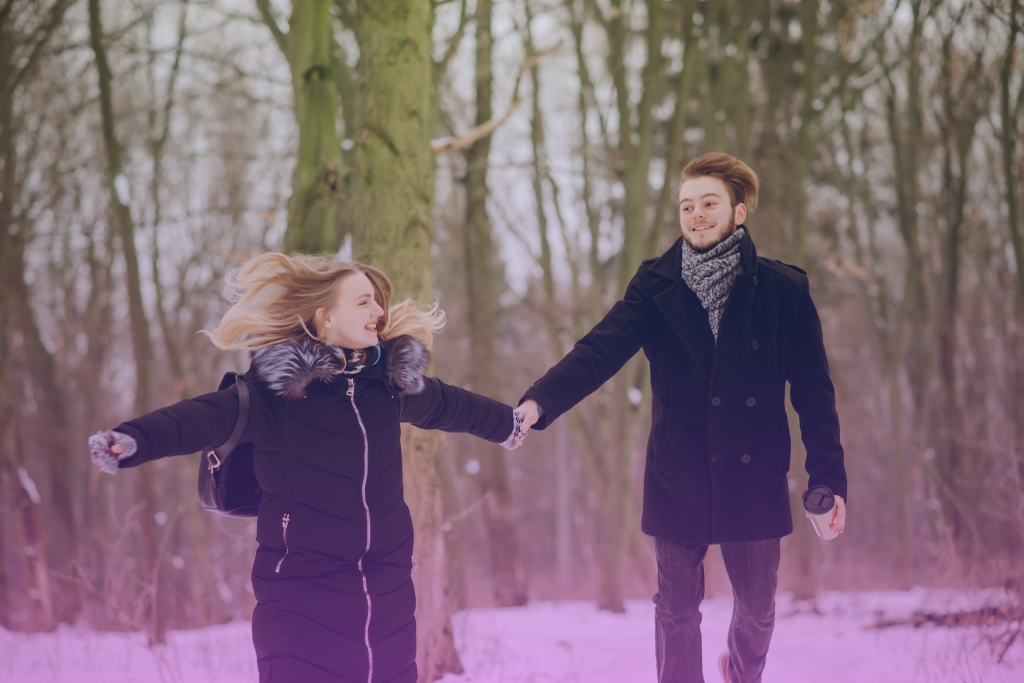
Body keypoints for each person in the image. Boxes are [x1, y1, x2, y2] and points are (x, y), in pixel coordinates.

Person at [87, 253, 526, 683]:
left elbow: (452, 405)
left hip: (387, 589)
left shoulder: (390, 385)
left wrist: (509, 423)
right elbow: (205, 416)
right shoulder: (278, 393)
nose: (378, 311)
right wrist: (134, 439)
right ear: (325, 318)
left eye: (377, 301)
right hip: (303, 594)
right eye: (362, 302)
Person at [516, 153, 847, 683]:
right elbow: (599, 350)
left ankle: (741, 672)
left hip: (754, 473)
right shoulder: (655, 286)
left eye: (709, 203)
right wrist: (540, 401)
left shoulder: (785, 291)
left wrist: (828, 478)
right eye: (686, 206)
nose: (695, 214)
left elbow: (813, 391)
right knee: (674, 611)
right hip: (679, 473)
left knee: (759, 610)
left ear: (738, 213)